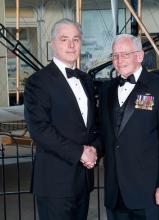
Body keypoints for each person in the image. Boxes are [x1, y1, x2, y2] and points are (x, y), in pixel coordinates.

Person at [24, 18, 100, 220]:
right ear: (53, 44)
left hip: (83, 181)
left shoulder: (85, 79)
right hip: (54, 184)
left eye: (76, 39)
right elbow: (40, 130)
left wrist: (94, 150)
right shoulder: (37, 82)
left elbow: (92, 127)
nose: (71, 44)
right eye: (64, 39)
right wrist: (80, 153)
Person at [99, 34, 159, 220]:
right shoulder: (106, 90)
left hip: (150, 192)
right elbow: (104, 134)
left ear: (140, 56)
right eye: (115, 55)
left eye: (125, 54)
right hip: (115, 192)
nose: (119, 60)